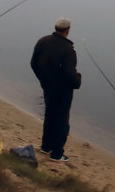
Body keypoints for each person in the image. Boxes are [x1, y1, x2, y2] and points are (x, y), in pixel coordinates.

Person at [30, 17, 82, 161]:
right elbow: (69, 73)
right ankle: (57, 153)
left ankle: (46, 147)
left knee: (50, 116)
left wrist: (43, 79)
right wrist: (78, 80)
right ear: (67, 30)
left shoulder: (43, 41)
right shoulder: (68, 49)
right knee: (62, 121)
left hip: (47, 86)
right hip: (62, 90)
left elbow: (33, 63)